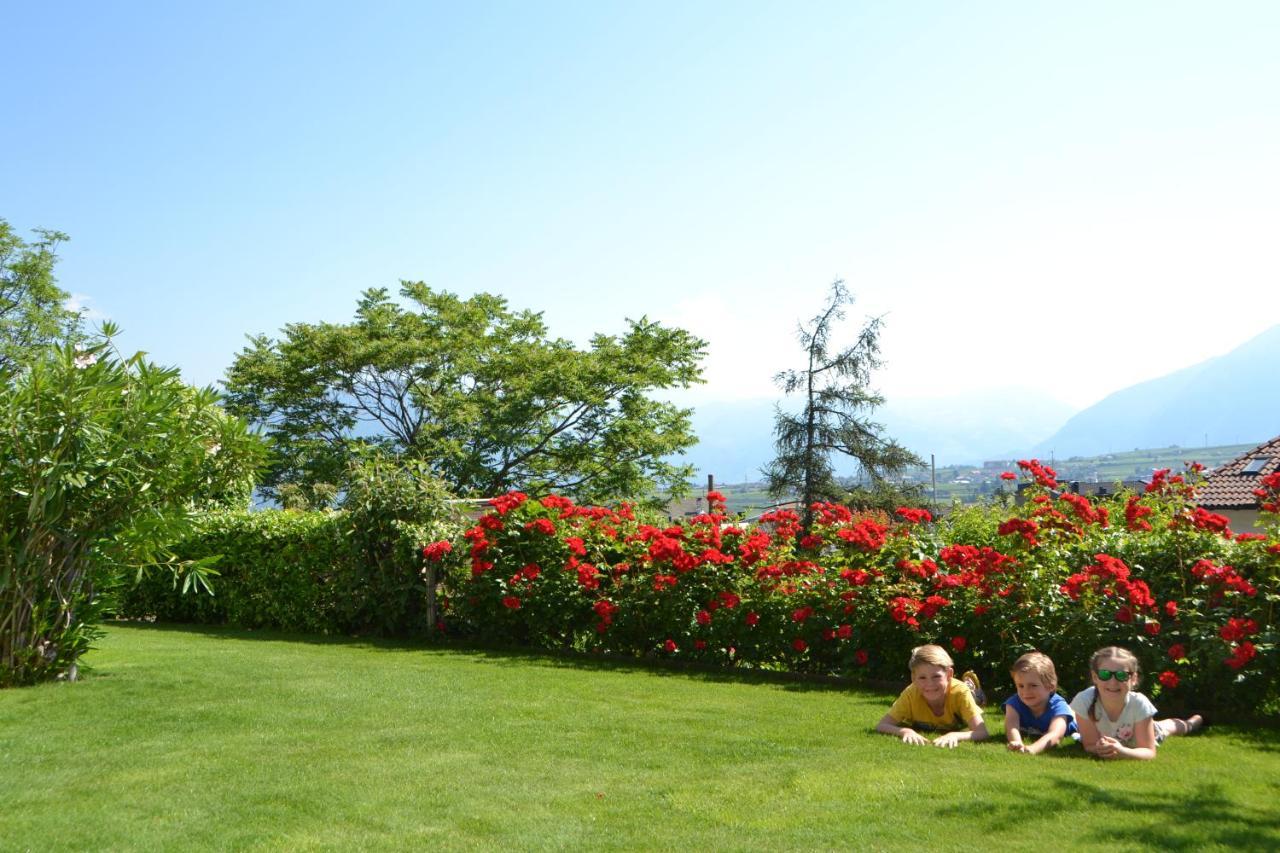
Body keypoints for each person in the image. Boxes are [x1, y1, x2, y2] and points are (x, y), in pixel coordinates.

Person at [1068, 645, 1203, 760]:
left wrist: (1122, 752)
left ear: (1133, 679)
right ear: (1095, 677)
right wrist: (1101, 749)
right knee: (1161, 726)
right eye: (1105, 674)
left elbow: (1149, 752)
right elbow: (1090, 745)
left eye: (1121, 675)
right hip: (1131, 728)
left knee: (1165, 728)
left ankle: (1192, 723)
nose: (1113, 682)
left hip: (1142, 732)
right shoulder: (1084, 701)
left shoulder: (1139, 703)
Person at [875, 644, 989, 748]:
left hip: (963, 695)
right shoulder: (911, 694)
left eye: (936, 676)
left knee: (974, 699)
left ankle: (971, 688)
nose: (930, 684)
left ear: (949, 674)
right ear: (913, 678)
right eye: (922, 678)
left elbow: (982, 732)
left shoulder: (959, 693)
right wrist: (905, 731)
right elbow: (882, 725)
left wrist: (955, 735)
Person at [1002, 651, 1077, 754]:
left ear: (1050, 686)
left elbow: (1055, 735)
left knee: (1073, 713)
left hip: (1074, 723)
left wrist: (1033, 749)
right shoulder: (1014, 704)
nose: (1026, 692)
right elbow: (1012, 726)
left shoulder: (1058, 706)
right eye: (1021, 686)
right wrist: (1016, 742)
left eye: (1033, 685)